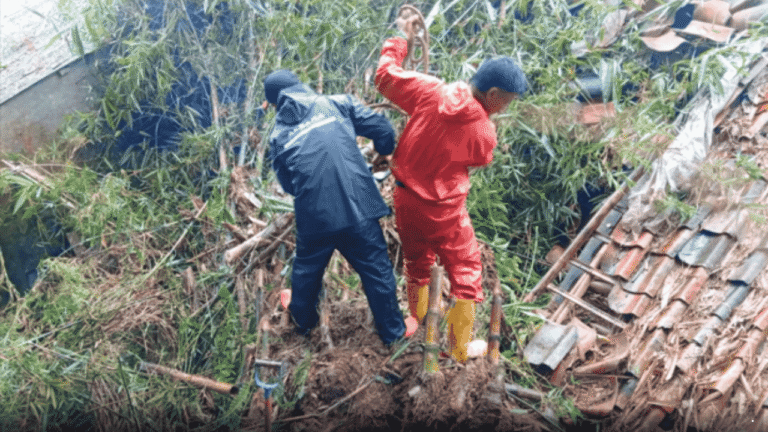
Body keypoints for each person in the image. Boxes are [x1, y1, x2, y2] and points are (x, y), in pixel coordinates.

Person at [375, 18, 528, 362]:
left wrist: (401, 41)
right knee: (467, 275)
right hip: (443, 210)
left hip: (404, 198)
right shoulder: (483, 132)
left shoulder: (429, 88)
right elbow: (482, 158)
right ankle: (458, 350)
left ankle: (418, 323)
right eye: (509, 100)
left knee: (416, 263)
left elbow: (384, 76)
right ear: (493, 95)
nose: (508, 106)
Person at [263, 69, 406, 346]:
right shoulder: (338, 103)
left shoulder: (278, 136)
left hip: (314, 217)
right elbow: (383, 130)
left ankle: (303, 328)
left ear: (275, 104)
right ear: (300, 85)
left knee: (306, 271)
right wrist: (382, 152)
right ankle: (394, 335)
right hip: (358, 209)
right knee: (377, 270)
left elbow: (290, 186)